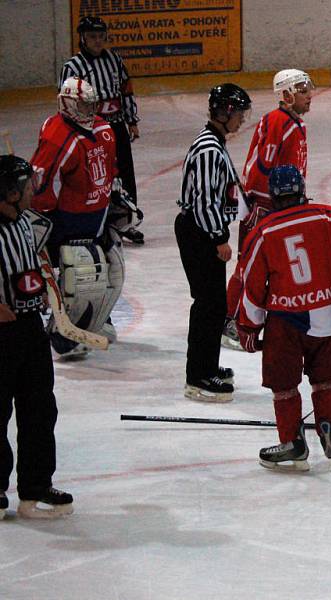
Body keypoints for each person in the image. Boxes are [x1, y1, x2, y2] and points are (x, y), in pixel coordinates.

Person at [235, 164, 331, 471]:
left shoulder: (263, 232)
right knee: (325, 381)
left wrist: (248, 327)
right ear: (302, 190)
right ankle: (328, 428)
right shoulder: (327, 216)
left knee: (284, 385)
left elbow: (253, 287)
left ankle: (292, 443)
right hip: (330, 317)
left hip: (286, 321)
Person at [30, 77, 134, 358]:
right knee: (81, 271)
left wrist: (115, 196)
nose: (89, 109)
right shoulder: (57, 135)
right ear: (66, 103)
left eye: (91, 103)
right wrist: (42, 218)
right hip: (68, 220)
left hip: (98, 216)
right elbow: (42, 184)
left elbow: (110, 169)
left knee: (114, 269)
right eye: (83, 104)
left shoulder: (103, 128)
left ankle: (98, 320)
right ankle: (63, 333)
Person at [0, 155, 73, 519]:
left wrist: (45, 293)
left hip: (29, 328)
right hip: (0, 333)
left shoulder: (25, 223)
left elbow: (33, 265)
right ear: (10, 193)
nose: (34, 191)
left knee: (40, 408)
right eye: (27, 186)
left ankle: (35, 487)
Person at [222, 69, 315, 350]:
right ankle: (230, 321)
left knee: (270, 269)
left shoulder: (291, 122)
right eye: (301, 89)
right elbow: (263, 166)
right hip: (263, 208)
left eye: (308, 87)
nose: (309, 94)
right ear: (286, 95)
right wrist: (263, 208)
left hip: (277, 207)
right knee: (248, 268)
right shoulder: (278, 121)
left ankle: (253, 318)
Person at [176, 83, 251, 402]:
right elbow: (205, 201)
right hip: (200, 232)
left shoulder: (213, 142)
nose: (242, 120)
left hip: (200, 229)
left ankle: (207, 366)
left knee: (213, 304)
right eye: (239, 114)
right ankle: (198, 376)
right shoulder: (209, 148)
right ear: (225, 112)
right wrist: (219, 237)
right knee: (207, 305)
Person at [61, 16, 143, 244]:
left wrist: (131, 120)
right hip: (91, 130)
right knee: (99, 175)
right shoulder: (72, 67)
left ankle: (128, 221)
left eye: (101, 37)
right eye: (92, 37)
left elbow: (125, 90)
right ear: (82, 39)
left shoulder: (114, 60)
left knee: (126, 173)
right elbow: (66, 101)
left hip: (116, 126)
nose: (97, 41)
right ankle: (99, 219)